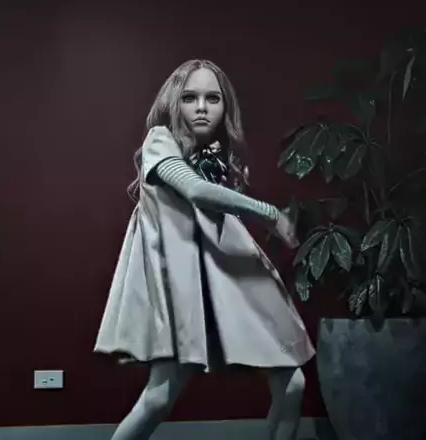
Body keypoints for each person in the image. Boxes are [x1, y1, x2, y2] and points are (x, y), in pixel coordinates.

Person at [94, 59, 315, 439]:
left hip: (224, 277)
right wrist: (270, 213)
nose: (201, 107)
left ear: (225, 106)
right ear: (173, 102)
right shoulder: (159, 141)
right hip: (182, 289)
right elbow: (195, 190)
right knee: (158, 398)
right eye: (189, 97)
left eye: (213, 98)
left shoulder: (218, 156)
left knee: (292, 384)